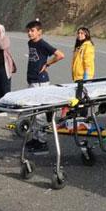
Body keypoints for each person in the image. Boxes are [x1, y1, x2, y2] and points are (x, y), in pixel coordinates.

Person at [25, 19, 65, 153]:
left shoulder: (42, 44)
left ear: (39, 32)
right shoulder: (30, 43)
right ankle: (36, 138)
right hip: (32, 80)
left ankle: (42, 142)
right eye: (28, 31)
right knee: (35, 112)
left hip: (40, 81)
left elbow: (60, 55)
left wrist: (48, 64)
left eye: (32, 31)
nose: (30, 33)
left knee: (40, 113)